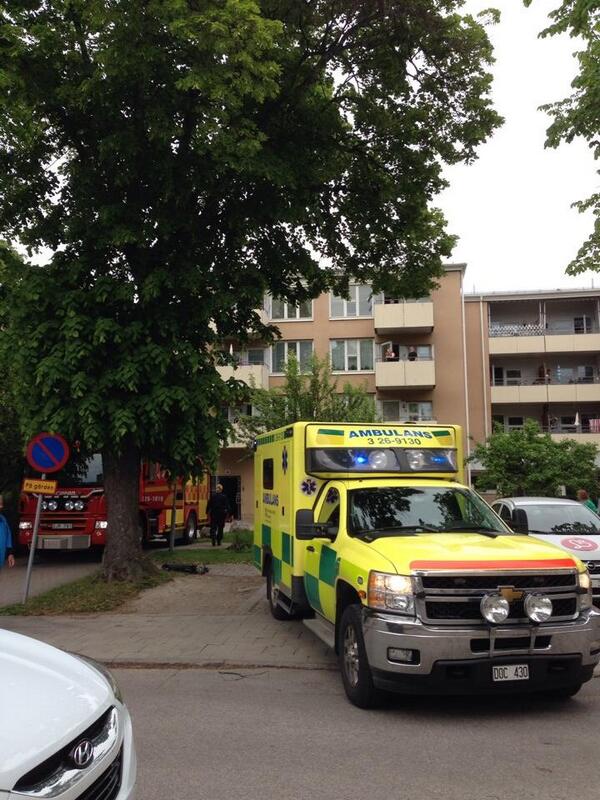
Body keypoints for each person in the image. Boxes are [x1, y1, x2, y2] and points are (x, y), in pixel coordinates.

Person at [0, 495, 15, 571]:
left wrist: (10, 554)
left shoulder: (3, 519)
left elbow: (8, 537)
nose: (1, 506)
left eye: (1, 504)